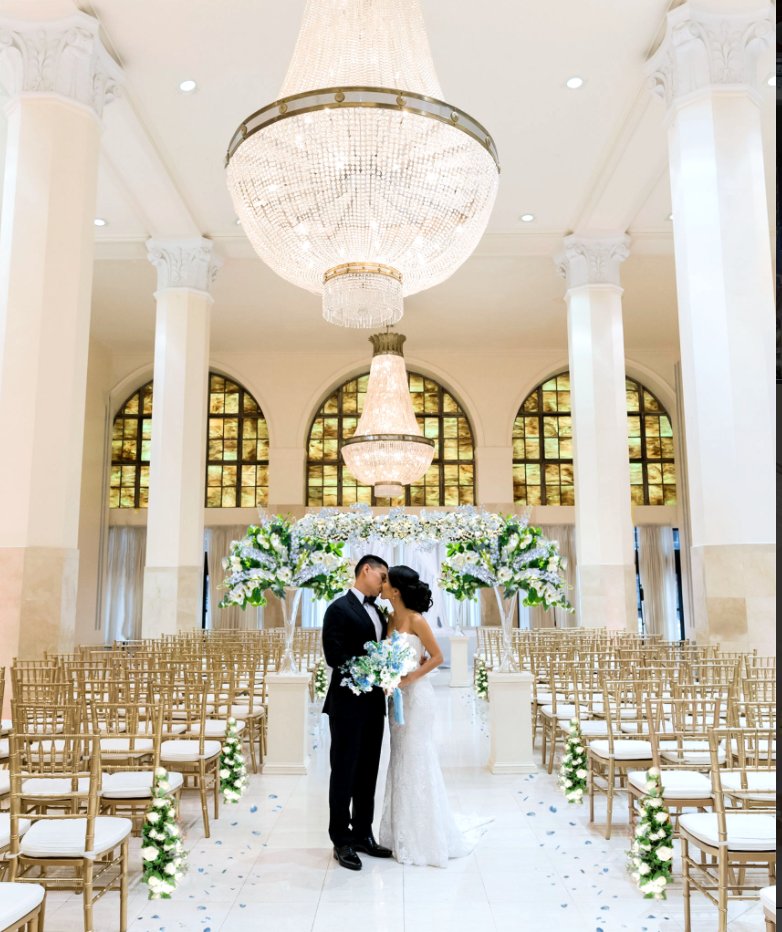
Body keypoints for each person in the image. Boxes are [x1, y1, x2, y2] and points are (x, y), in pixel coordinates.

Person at [378, 564, 490, 867]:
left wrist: (409, 678)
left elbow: (437, 657)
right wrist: (388, 677)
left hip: (417, 698)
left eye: (386, 581)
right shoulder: (389, 618)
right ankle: (400, 832)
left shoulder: (416, 620)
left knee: (418, 757)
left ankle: (425, 836)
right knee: (400, 758)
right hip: (396, 698)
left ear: (396, 590)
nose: (382, 585)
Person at [321, 554, 394, 871]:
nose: (384, 583)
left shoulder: (380, 611)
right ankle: (341, 839)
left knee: (368, 770)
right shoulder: (338, 608)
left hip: (374, 703)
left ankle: (363, 833)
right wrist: (372, 668)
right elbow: (334, 655)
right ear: (366, 570)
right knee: (344, 771)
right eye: (382, 576)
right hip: (347, 703)